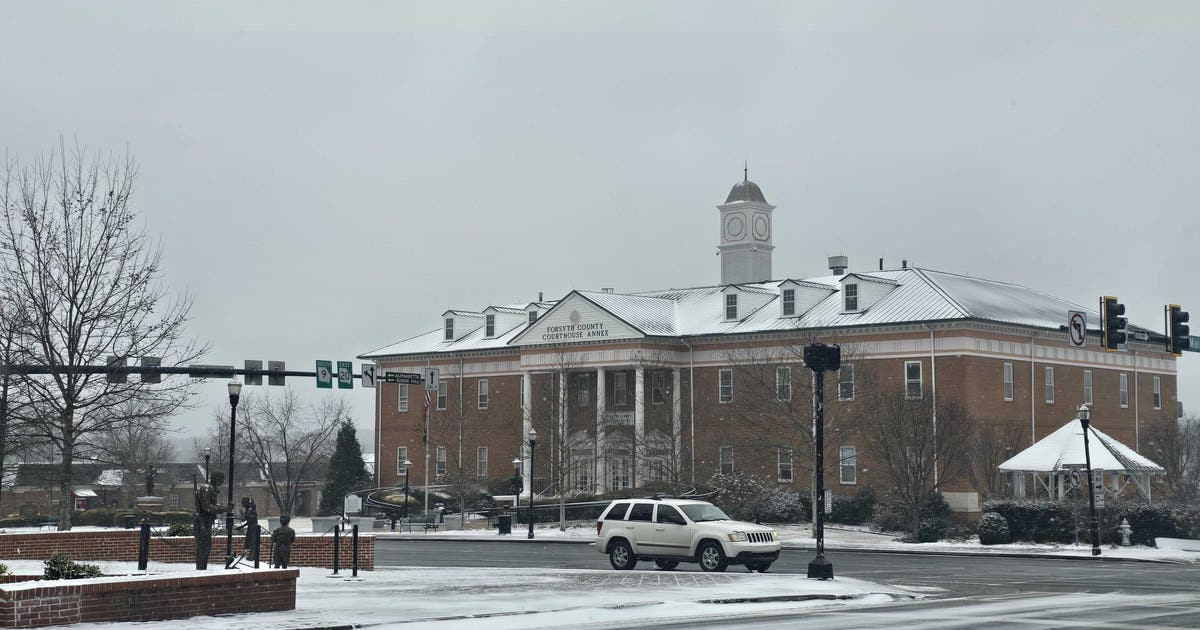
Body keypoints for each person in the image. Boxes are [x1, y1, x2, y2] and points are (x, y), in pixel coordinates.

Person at [193, 483, 226, 570]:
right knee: (203, 548)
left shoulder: (210, 489)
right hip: (202, 523)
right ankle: (201, 571)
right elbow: (206, 506)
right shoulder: (206, 489)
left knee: (205, 548)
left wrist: (224, 508)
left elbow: (211, 506)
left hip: (206, 522)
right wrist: (222, 509)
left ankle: (202, 569)